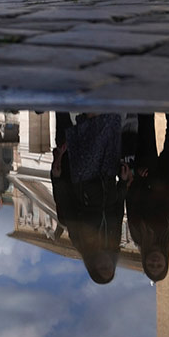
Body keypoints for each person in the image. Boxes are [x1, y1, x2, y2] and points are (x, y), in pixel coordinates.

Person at [51, 113, 128, 284]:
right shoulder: (114, 242)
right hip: (107, 177)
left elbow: (67, 205)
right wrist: (122, 183)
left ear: (93, 267)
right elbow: (117, 210)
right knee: (111, 125)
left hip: (85, 177)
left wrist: (56, 178)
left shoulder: (80, 241)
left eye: (102, 269)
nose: (107, 265)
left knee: (96, 128)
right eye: (110, 268)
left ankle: (87, 96)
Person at [126, 114, 169, 282]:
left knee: (145, 124)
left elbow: (131, 202)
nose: (155, 262)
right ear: (165, 262)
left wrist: (138, 178)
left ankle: (146, 92)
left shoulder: (138, 236)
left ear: (145, 262)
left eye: (151, 265)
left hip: (146, 174)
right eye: (159, 265)